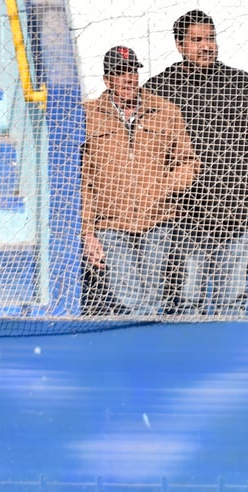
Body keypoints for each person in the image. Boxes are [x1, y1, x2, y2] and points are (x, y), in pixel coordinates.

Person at [144, 10, 248, 316]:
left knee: (232, 298)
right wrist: (168, 197)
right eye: (197, 40)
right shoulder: (161, 88)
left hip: (238, 211)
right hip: (184, 214)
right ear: (180, 45)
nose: (207, 46)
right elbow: (150, 152)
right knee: (187, 299)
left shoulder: (241, 84)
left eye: (211, 38)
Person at [81, 45, 199, 316]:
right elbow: (84, 179)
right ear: (107, 80)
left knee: (154, 293)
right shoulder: (89, 115)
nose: (128, 79)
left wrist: (163, 185)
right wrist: (88, 232)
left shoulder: (165, 111)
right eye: (120, 73)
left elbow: (188, 162)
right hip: (110, 223)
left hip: (157, 219)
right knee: (130, 295)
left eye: (132, 71)